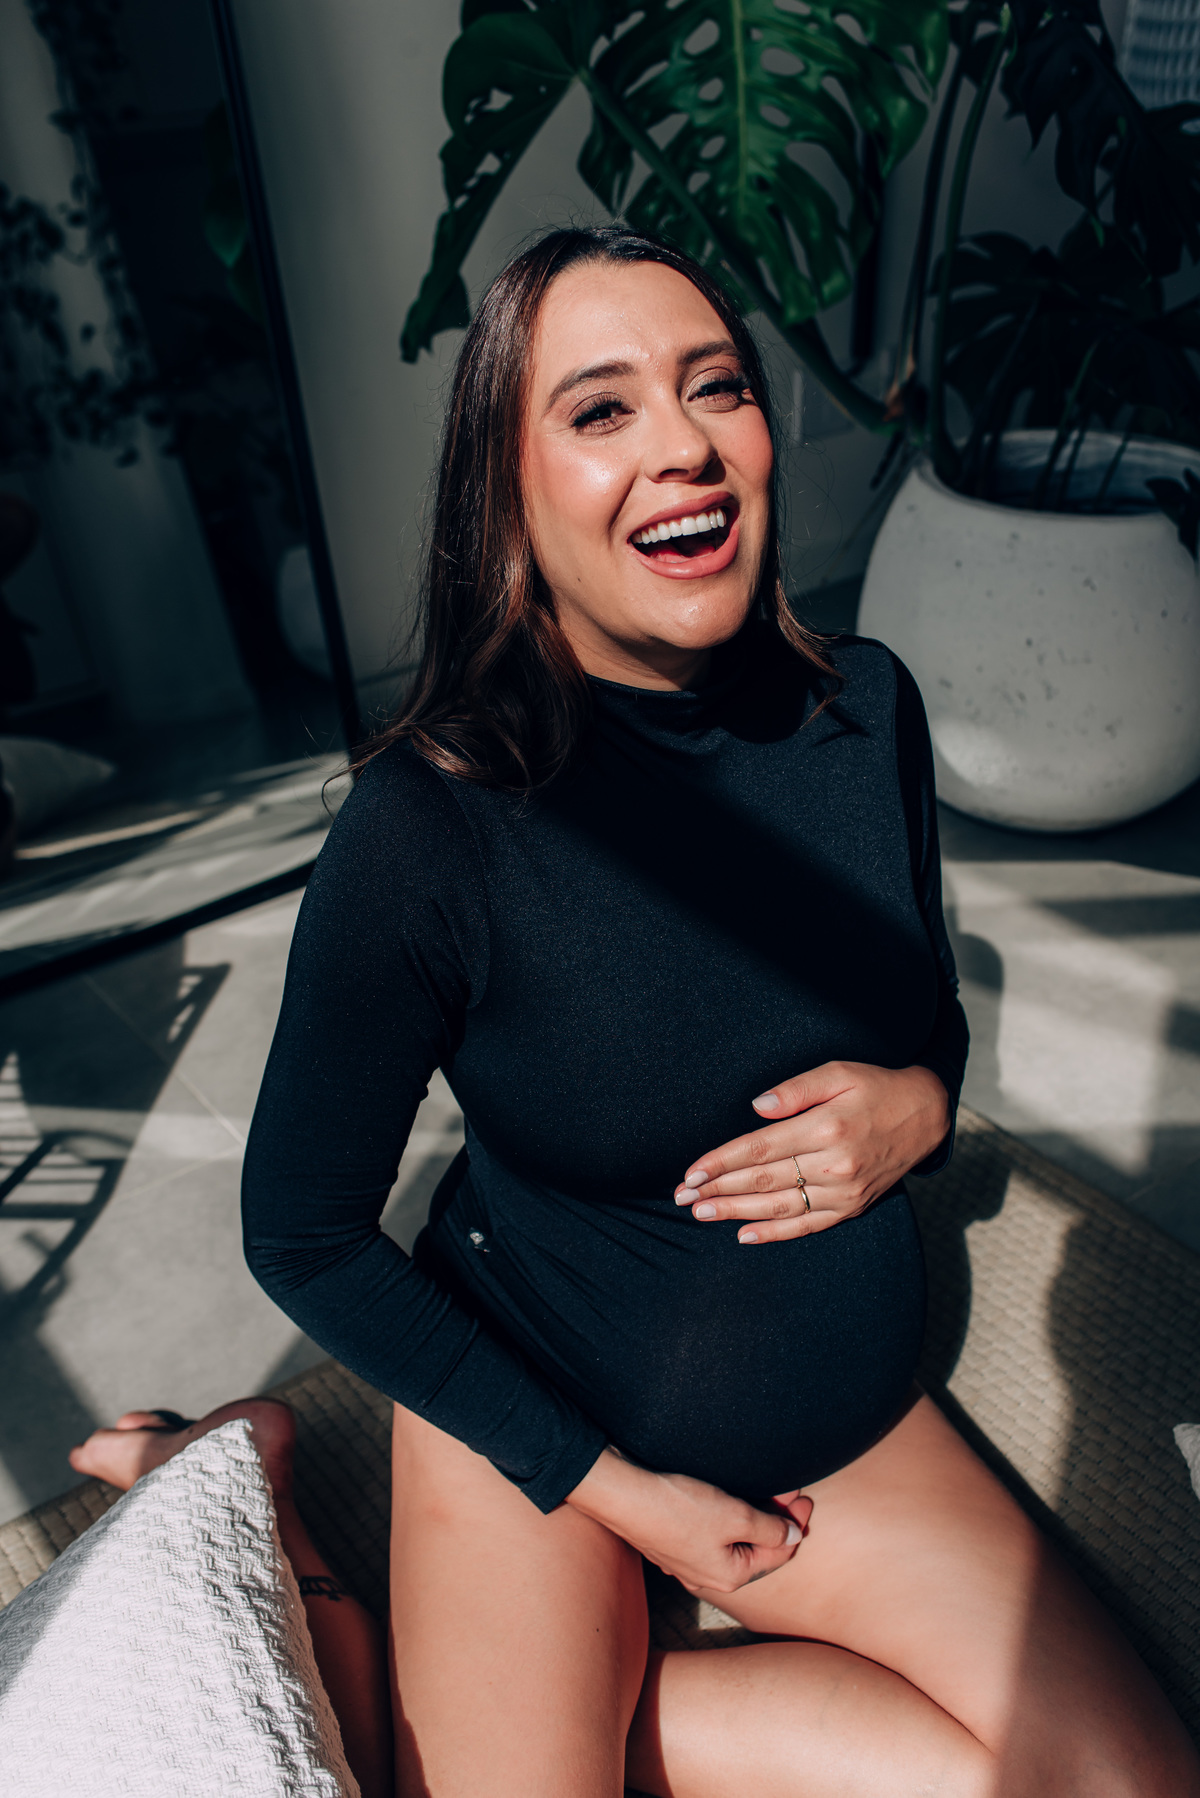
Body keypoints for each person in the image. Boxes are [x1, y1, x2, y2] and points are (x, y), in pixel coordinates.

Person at [78, 226, 1200, 1797]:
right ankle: (247, 1491)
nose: (683, 444)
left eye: (715, 386)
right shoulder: (428, 824)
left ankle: (574, 1699)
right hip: (534, 1404)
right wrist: (625, 1493)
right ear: (507, 491)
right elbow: (304, 1234)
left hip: (835, 1428)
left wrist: (928, 1100)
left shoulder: (865, 709)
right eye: (601, 409)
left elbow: (923, 1010)